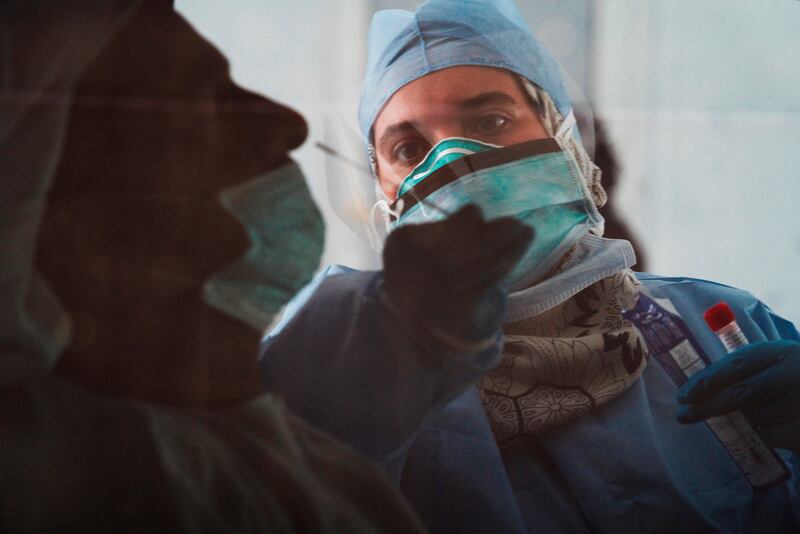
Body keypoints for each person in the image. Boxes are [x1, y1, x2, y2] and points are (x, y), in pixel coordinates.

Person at [259, 0, 800, 532]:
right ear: (383, 197)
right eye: (408, 149)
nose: (452, 161)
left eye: (492, 119)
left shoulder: (721, 324)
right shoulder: (352, 362)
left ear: (564, 139)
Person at [0, 1, 424, 531]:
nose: (288, 124)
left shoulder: (330, 483)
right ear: (86, 237)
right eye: (205, 101)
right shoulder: (63, 485)